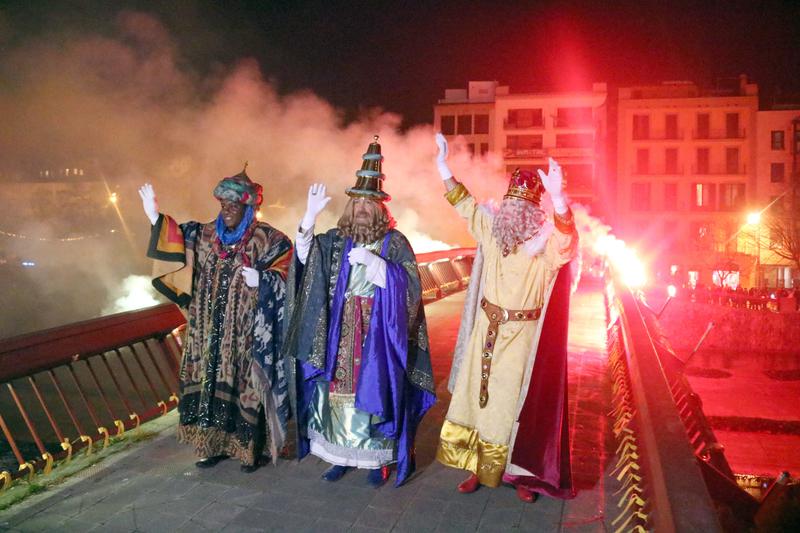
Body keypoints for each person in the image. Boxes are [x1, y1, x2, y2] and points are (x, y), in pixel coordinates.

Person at [433, 133, 579, 502]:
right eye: (510, 205)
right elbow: (466, 206)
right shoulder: (493, 233)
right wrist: (443, 167)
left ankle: (518, 475)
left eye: (521, 209)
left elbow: (566, 245)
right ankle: (476, 467)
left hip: (520, 335)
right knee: (478, 399)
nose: (513, 215)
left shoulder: (544, 248)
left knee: (512, 404)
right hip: (486, 329)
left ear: (533, 213)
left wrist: (560, 200)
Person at [283, 136, 436, 488]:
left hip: (378, 333)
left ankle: (375, 462)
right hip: (339, 329)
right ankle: (339, 456)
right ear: (349, 207)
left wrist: (379, 266)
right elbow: (306, 261)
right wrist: (308, 218)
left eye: (370, 203)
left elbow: (411, 289)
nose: (363, 209)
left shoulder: (395, 243)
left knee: (374, 390)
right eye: (357, 203)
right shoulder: (335, 238)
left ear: (381, 209)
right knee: (335, 394)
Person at [138, 166, 292, 472]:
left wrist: (263, 279)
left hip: (247, 334)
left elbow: (288, 273)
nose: (227, 211)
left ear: (249, 207)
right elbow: (177, 244)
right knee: (209, 384)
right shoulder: (205, 233)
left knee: (248, 387)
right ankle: (211, 446)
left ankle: (251, 450)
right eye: (223, 205)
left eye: (234, 206)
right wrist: (155, 218)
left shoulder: (269, 239)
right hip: (208, 330)